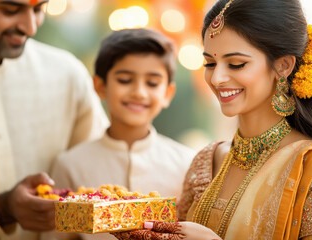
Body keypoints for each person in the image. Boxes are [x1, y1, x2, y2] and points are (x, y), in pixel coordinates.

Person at [112, 0, 312, 239]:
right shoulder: (205, 163)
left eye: (236, 64)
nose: (217, 78)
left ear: (283, 66)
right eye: (210, 63)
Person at [41, 28, 196, 240]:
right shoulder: (70, 165)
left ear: (167, 93)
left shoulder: (187, 164)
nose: (139, 92)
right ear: (100, 86)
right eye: (124, 80)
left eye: (152, 83)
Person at [0, 0, 109, 239]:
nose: (30, 27)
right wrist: (0, 210)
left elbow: (101, 174)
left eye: (39, 9)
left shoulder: (67, 75)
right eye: (10, 10)